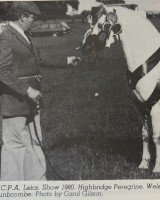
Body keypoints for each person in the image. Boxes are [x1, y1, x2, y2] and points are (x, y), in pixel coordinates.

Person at [0, 2, 79, 181]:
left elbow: (40, 59)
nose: (34, 22)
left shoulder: (25, 35)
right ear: (23, 16)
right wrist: (27, 90)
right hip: (15, 102)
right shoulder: (6, 36)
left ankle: (37, 183)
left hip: (31, 101)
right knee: (14, 147)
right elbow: (2, 72)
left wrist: (67, 61)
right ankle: (12, 189)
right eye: (33, 18)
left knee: (35, 142)